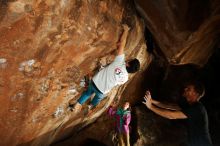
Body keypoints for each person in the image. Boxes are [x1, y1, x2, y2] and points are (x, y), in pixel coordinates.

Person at [71, 24, 140, 113]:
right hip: (103, 90)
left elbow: (122, 44)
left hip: (95, 82)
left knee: (87, 93)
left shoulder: (119, 61)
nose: (129, 59)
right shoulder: (125, 78)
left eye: (130, 60)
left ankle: (77, 104)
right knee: (97, 99)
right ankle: (90, 106)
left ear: (128, 64)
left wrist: (126, 30)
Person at [142, 80, 212, 146]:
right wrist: (151, 100)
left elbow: (171, 115)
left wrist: (150, 107)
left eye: (189, 89)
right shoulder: (189, 105)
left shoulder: (197, 109)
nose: (185, 89)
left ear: (195, 94)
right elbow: (169, 106)